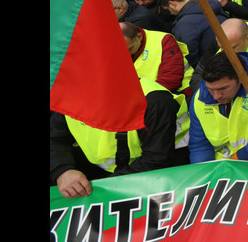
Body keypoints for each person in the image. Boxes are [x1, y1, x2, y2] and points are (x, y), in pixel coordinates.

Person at [50, 76, 188, 197]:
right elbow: (54, 139)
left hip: (166, 166)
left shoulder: (152, 100)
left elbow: (157, 159)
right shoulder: (71, 98)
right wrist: (63, 171)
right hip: (111, 167)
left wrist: (106, 186)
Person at [160, 0, 226, 67]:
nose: (170, 13)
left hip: (212, 66)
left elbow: (189, 54)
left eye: (168, 9)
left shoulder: (185, 24)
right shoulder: (209, 5)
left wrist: (198, 72)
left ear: (172, 4)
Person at [121, 22, 191, 97]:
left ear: (139, 37)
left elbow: (170, 80)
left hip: (178, 94)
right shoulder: (120, 46)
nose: (126, 54)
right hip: (145, 96)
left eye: (130, 49)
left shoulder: (163, 40)